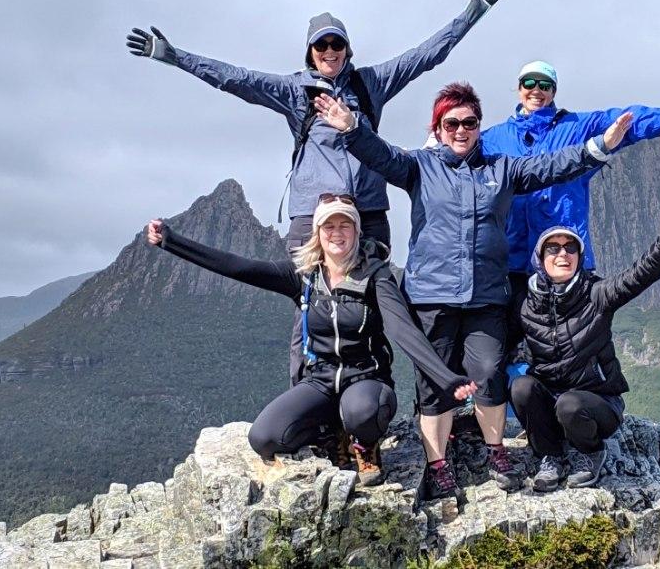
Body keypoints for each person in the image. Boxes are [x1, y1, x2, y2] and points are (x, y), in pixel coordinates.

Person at [127, 0, 504, 386]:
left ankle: (371, 405)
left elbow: (426, 55)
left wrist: (471, 15)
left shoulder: (369, 84)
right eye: (321, 45)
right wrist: (174, 56)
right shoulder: (294, 91)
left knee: (374, 303)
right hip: (313, 215)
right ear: (310, 52)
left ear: (347, 50)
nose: (329, 52)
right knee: (307, 303)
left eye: (336, 44)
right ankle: (307, 406)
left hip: (367, 212)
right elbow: (234, 78)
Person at [315, 82, 634, 499]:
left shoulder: (502, 169)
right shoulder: (419, 167)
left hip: (486, 297)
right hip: (432, 296)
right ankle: (438, 463)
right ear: (439, 127)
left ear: (479, 127)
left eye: (469, 122)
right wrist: (352, 127)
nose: (461, 130)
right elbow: (381, 154)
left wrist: (599, 146)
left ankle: (496, 450)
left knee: (489, 374)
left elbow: (555, 165)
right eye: (452, 123)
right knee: (434, 384)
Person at [144, 195, 476, 486]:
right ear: (318, 233)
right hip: (320, 381)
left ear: (357, 231)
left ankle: (363, 445)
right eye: (328, 226)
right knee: (265, 438)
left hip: (366, 380)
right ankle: (330, 435)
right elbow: (237, 267)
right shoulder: (304, 276)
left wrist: (446, 379)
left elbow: (404, 331)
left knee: (363, 412)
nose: (337, 233)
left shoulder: (375, 276)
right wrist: (171, 241)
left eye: (344, 225)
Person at [479, 61, 660, 355]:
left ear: (554, 91)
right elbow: (457, 154)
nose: (537, 91)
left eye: (545, 85)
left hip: (566, 261)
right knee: (503, 352)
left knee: (569, 350)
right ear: (519, 88)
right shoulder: (493, 139)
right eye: (530, 83)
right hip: (509, 265)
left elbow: (633, 121)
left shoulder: (576, 128)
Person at [510, 201, 660, 492]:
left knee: (569, 404)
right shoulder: (525, 304)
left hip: (596, 405)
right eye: (554, 248)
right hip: (552, 401)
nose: (563, 254)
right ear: (540, 258)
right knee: (521, 387)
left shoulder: (596, 295)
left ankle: (590, 452)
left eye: (571, 248)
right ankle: (551, 455)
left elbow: (640, 275)